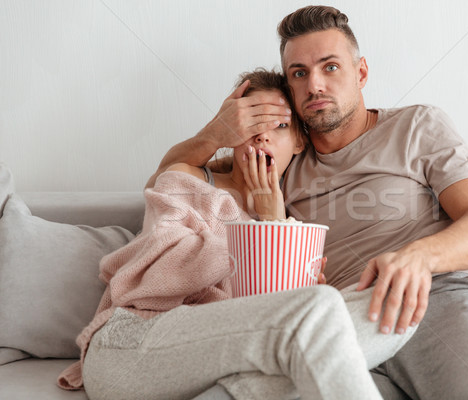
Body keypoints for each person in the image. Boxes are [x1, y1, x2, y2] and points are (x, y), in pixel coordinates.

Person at [150, 6, 468, 400]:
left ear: (360, 73)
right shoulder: (282, 153)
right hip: (338, 326)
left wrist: (419, 257)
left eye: (330, 67)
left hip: (438, 298)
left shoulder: (417, 125)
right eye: (299, 74)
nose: (315, 85)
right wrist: (216, 132)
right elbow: (168, 180)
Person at [57, 69, 413, 400]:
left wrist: (275, 223)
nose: (262, 134)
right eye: (252, 122)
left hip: (221, 357)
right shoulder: (186, 180)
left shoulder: (292, 220)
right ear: (232, 133)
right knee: (320, 306)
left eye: (278, 125)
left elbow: (272, 315)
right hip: (134, 342)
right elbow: (159, 272)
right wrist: (266, 235)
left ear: (300, 143)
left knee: (390, 306)